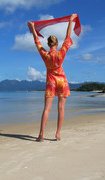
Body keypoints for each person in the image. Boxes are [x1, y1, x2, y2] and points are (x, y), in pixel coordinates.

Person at [28, 14, 77, 142]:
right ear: (57, 43)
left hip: (51, 82)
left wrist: (33, 28)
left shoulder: (45, 54)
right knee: (61, 108)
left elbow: (36, 41)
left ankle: (41, 135)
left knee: (47, 109)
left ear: (48, 44)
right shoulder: (61, 53)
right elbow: (68, 36)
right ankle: (58, 134)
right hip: (62, 81)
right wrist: (71, 21)